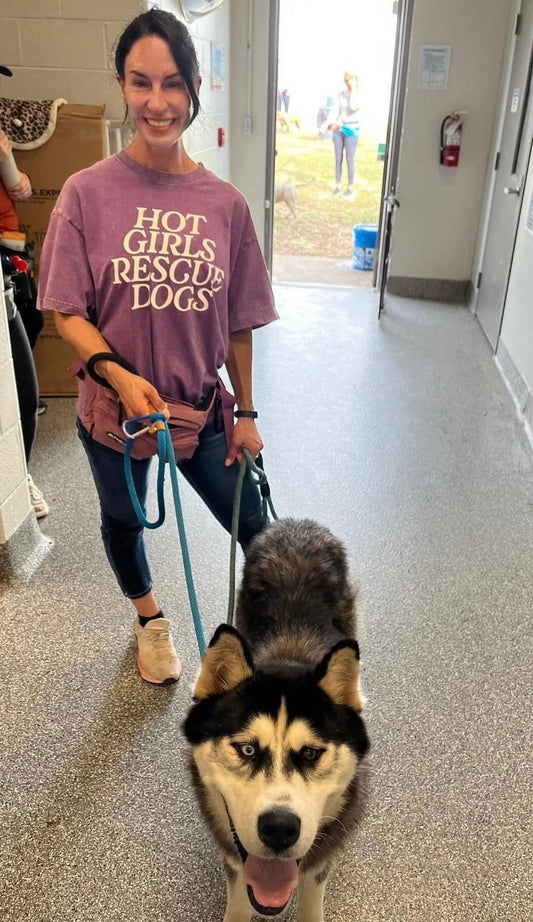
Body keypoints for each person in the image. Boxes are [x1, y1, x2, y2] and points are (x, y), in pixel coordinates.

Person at [37, 9, 278, 685]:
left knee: (255, 528)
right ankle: (150, 622)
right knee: (124, 520)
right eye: (140, 83)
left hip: (199, 411)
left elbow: (238, 321)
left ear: (195, 86)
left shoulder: (224, 205)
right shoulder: (86, 194)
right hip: (114, 413)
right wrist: (114, 370)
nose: (157, 101)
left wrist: (250, 414)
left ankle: (266, 642)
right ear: (122, 85)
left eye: (172, 83)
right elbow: (65, 308)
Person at [1, 76, 49, 520]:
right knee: (19, 387)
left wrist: (6, 157)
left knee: (23, 384)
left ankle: (19, 472)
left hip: (8, 260)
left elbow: (21, 189)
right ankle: (16, 477)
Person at [330, 71, 360, 199]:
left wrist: (353, 92)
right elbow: (335, 111)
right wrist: (328, 124)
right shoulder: (340, 95)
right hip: (338, 130)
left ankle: (351, 188)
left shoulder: (359, 95)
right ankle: (338, 186)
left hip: (351, 131)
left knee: (350, 159)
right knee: (338, 158)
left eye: (350, 80)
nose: (348, 83)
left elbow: (353, 108)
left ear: (355, 80)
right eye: (346, 80)